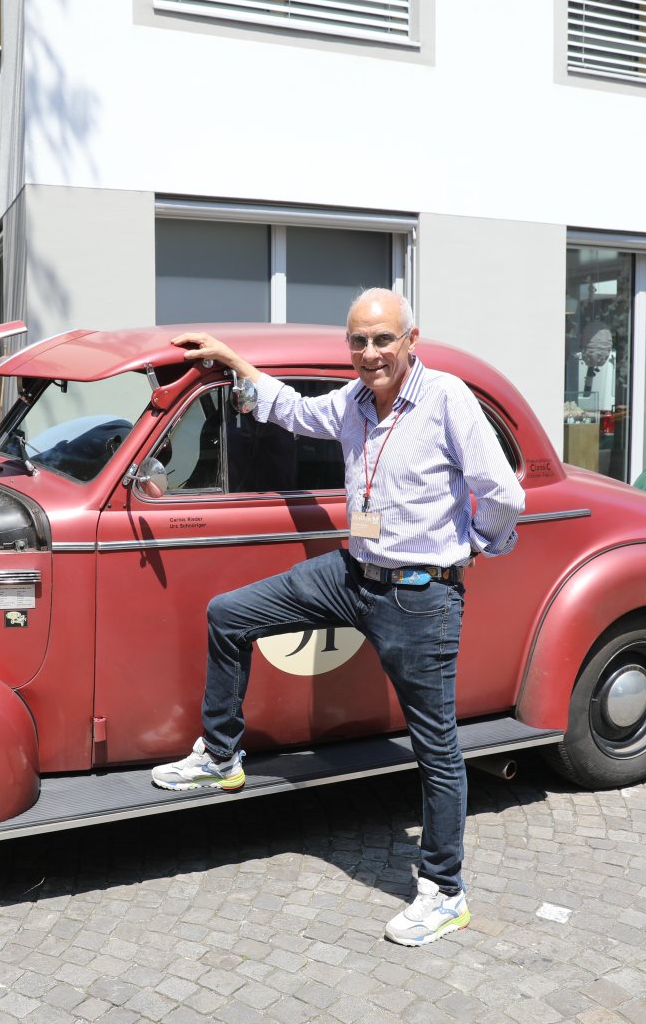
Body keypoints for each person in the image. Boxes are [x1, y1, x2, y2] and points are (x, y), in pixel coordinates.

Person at [150, 288, 524, 948]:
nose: (371, 352)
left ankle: (445, 891)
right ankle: (221, 755)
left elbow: (502, 492)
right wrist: (232, 360)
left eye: (383, 339)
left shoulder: (446, 398)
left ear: (411, 340)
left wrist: (474, 545)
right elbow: (292, 409)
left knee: (435, 746)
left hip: (419, 597)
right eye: (359, 341)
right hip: (353, 573)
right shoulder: (352, 401)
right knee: (229, 614)